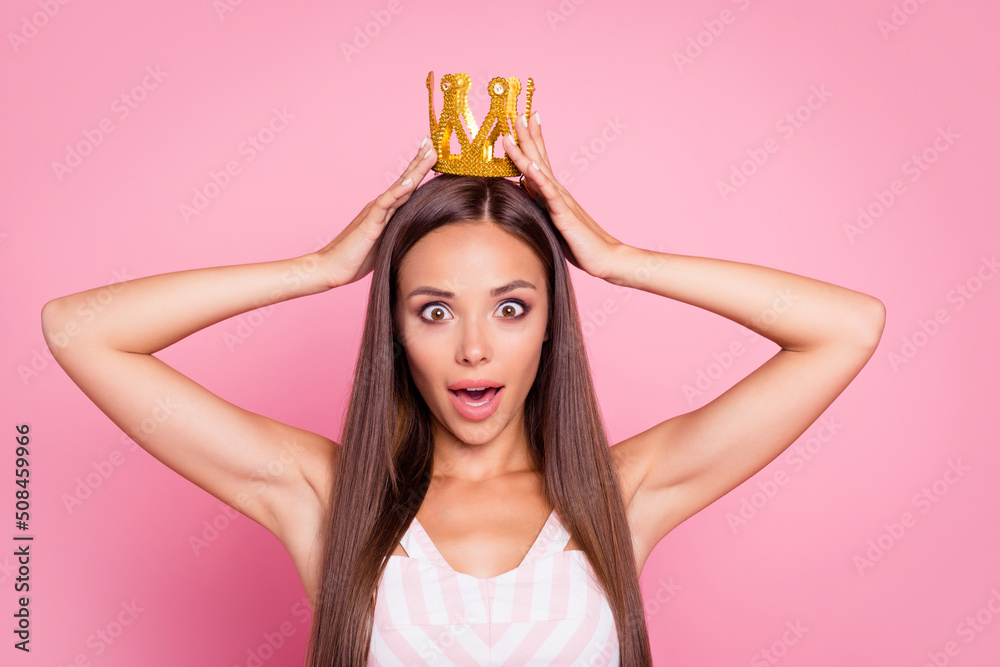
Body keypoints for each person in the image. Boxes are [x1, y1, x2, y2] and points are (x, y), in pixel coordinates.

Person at [42, 111, 885, 666]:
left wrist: (620, 259)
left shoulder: (622, 496)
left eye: (512, 307)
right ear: (395, 330)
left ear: (551, 322)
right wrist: (319, 268)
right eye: (435, 309)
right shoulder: (331, 499)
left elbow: (846, 327)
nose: (475, 347)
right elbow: (80, 330)